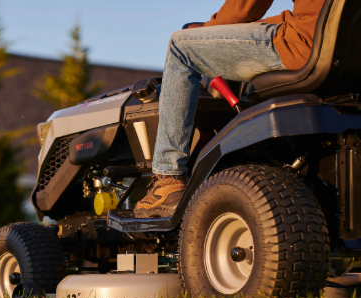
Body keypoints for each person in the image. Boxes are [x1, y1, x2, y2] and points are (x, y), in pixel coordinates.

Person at [134, 0, 327, 219]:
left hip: (303, 45)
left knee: (180, 46)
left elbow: (246, 5)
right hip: (341, 47)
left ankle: (168, 179)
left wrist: (211, 28)